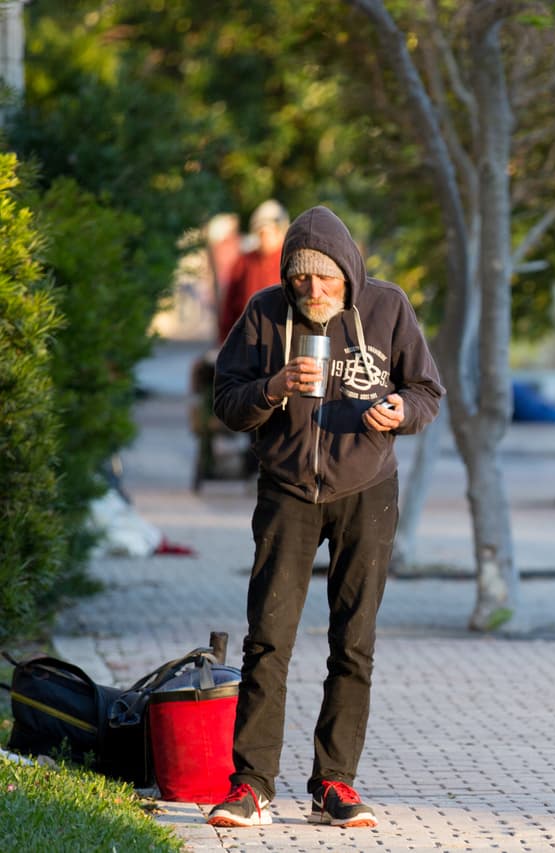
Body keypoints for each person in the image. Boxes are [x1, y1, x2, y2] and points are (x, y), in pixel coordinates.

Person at [207, 205, 445, 829]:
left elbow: (426, 391)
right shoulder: (264, 313)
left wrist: (401, 410)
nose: (314, 289)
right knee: (268, 641)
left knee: (354, 643)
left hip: (368, 490)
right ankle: (251, 786)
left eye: (326, 277)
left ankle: (334, 784)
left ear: (348, 272)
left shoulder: (388, 308)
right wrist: (274, 387)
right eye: (301, 278)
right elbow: (226, 402)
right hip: (286, 491)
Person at [217, 199, 290, 342]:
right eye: (262, 233)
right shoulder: (244, 262)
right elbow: (229, 305)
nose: (266, 238)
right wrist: (225, 338)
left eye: (270, 232)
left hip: (280, 336)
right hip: (248, 336)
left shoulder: (289, 260)